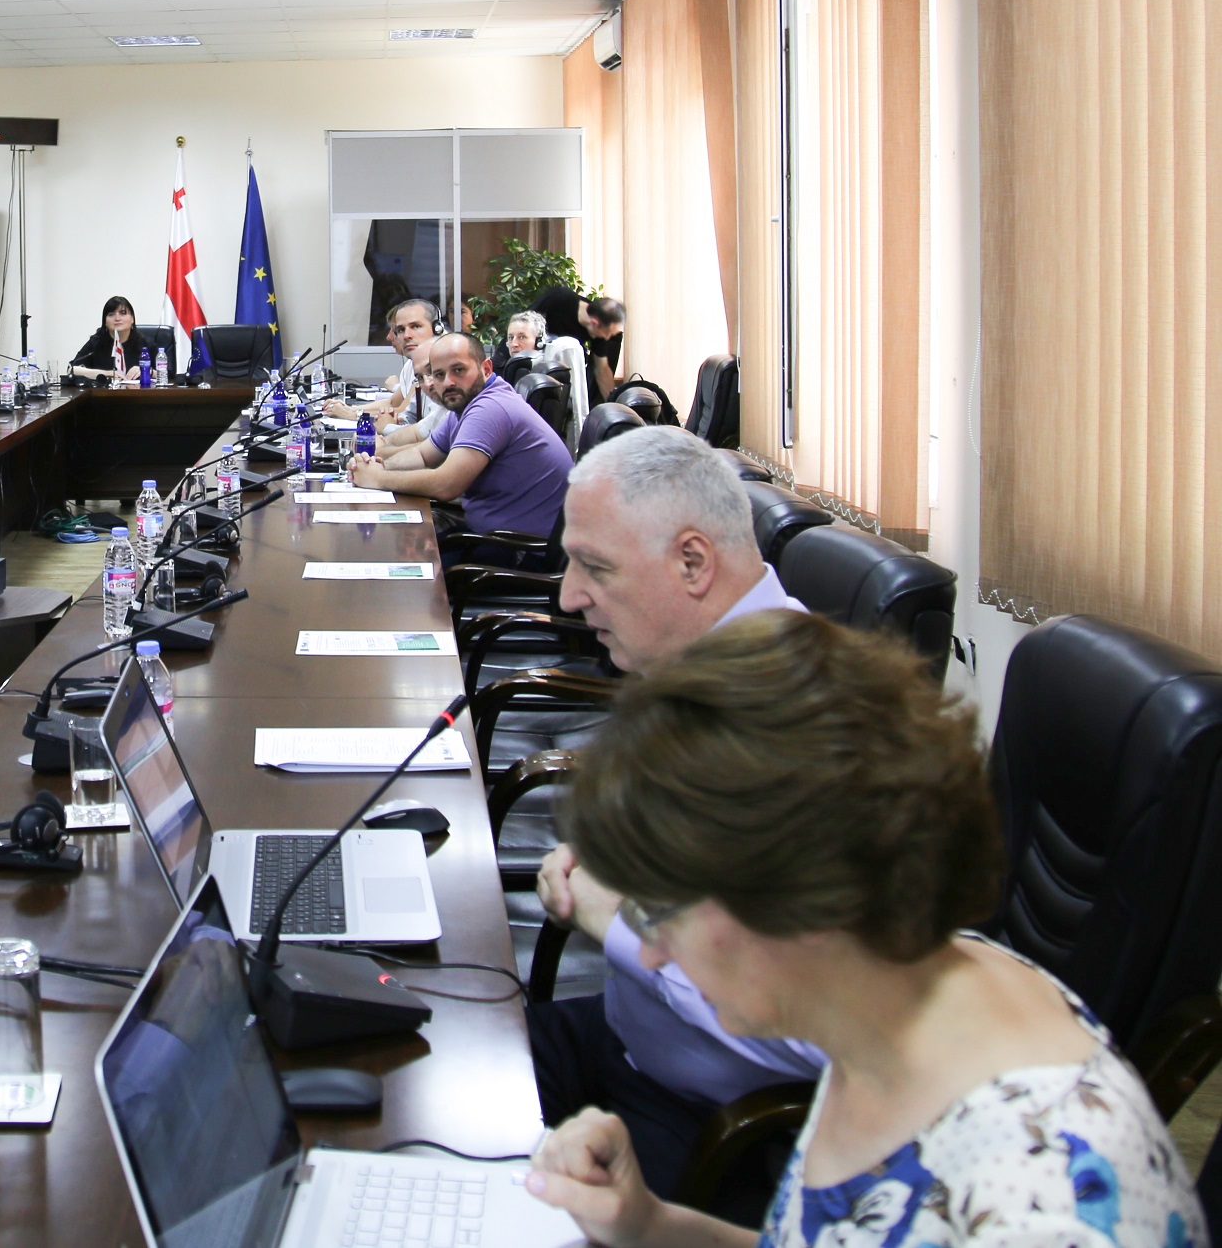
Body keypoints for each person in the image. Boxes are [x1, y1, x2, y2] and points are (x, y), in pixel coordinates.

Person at [526, 611, 1208, 1248]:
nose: (648, 953)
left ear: (802, 903)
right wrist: (647, 1223)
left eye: (659, 912)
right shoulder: (890, 993)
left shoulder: (1043, 1211)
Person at [528, 427, 823, 1199]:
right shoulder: (702, 667)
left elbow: (818, 1027)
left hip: (714, 1126)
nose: (568, 596)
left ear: (693, 563)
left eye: (595, 568)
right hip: (629, 1039)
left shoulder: (798, 724)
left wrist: (616, 920)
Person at [347, 332, 571, 538]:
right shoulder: (465, 405)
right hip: (490, 531)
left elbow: (446, 485)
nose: (448, 382)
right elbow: (423, 455)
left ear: (486, 369)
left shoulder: (490, 408)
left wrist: (378, 478)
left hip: (517, 549)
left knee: (389, 544)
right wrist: (377, 465)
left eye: (459, 370)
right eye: (439, 374)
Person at [325, 298, 448, 444]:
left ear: (437, 329)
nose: (406, 335)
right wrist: (387, 420)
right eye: (400, 330)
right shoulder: (416, 366)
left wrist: (384, 428)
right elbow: (408, 416)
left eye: (415, 326)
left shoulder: (447, 375)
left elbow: (428, 436)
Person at [528, 286, 626, 402]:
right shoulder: (559, 299)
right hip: (531, 355)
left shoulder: (599, 326)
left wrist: (613, 404)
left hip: (559, 372)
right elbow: (523, 326)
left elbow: (602, 371)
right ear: (594, 323)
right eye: (607, 333)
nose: (607, 338)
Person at [69, 296, 168, 383]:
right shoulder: (96, 342)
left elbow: (167, 374)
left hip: (139, 395)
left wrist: (148, 371)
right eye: (111, 314)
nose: (117, 318)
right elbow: (71, 369)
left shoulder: (145, 343)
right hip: (104, 396)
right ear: (105, 322)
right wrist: (106, 374)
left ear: (132, 319)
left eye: (123, 313)